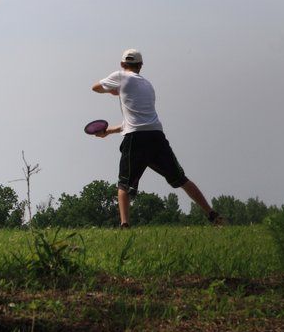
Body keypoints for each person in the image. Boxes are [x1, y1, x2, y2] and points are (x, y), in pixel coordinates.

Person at [91, 49, 222, 228]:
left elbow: (95, 87)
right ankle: (212, 215)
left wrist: (112, 90)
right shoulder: (148, 85)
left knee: (124, 185)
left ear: (122, 64)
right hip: (156, 137)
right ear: (141, 66)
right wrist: (109, 131)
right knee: (181, 179)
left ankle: (124, 225)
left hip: (136, 140)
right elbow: (135, 122)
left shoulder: (120, 76)